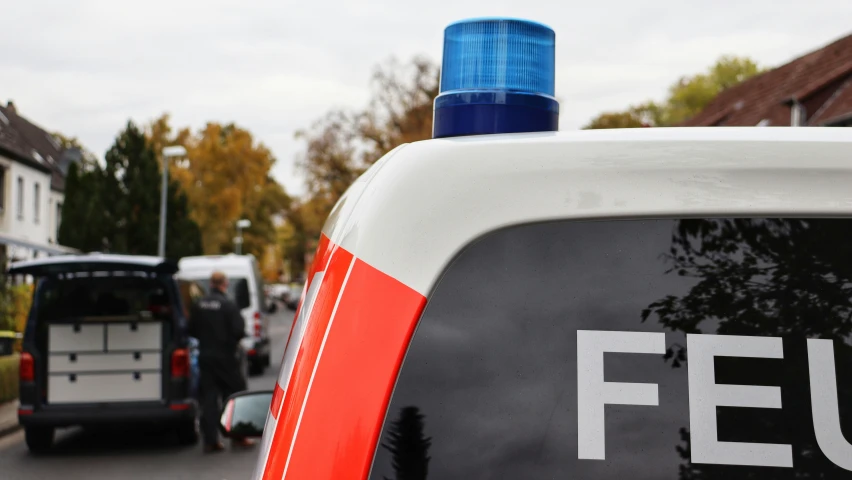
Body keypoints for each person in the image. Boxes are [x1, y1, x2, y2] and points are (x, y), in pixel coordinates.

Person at [188, 271, 255, 453]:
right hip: (226, 358)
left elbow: (191, 329)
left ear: (211, 284)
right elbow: (238, 330)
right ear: (224, 284)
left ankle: (211, 441)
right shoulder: (228, 305)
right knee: (235, 396)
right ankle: (238, 436)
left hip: (205, 357)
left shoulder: (198, 305)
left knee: (209, 399)